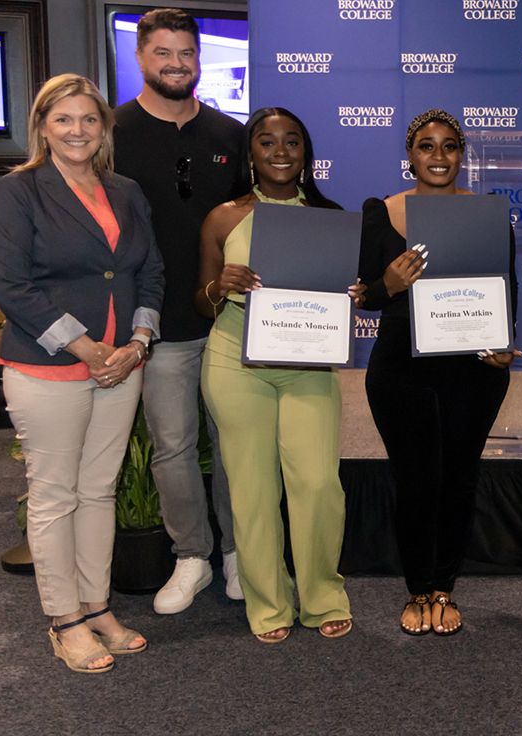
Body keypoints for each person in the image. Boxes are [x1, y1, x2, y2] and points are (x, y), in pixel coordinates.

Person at [0, 74, 164, 673]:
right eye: (63, 119)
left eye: (89, 119)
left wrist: (138, 341)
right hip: (49, 367)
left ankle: (96, 606)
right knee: (55, 495)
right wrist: (89, 348)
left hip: (122, 365)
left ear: (104, 128)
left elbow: (149, 272)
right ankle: (64, 620)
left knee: (98, 491)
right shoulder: (19, 192)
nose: (77, 130)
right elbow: (10, 285)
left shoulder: (126, 190)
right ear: (42, 126)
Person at [358, 109, 521, 636]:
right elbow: (366, 297)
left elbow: (505, 291)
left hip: (473, 369)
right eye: (426, 146)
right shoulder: (379, 212)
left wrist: (503, 343)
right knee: (414, 479)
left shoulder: (488, 213)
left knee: (458, 478)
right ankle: (417, 589)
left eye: (450, 146)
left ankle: (444, 587)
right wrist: (388, 283)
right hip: (399, 368)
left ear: (462, 154)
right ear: (410, 155)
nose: (438, 156)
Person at [195, 107, 355, 643]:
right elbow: (201, 301)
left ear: (306, 153)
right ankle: (268, 604)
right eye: (267, 142)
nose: (281, 150)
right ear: (251, 153)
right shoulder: (223, 217)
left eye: (292, 140)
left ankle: (322, 595)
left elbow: (341, 296)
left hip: (307, 363)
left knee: (316, 483)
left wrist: (348, 296)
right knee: (252, 489)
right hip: (235, 364)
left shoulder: (330, 216)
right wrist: (221, 284)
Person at [113, 7, 246, 613]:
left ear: (199, 59)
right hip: (155, 324)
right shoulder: (112, 135)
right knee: (172, 448)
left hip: (229, 322)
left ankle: (240, 555)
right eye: (162, 53)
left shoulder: (228, 134)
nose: (175, 63)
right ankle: (191, 555)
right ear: (142, 58)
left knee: (235, 444)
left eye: (186, 53)